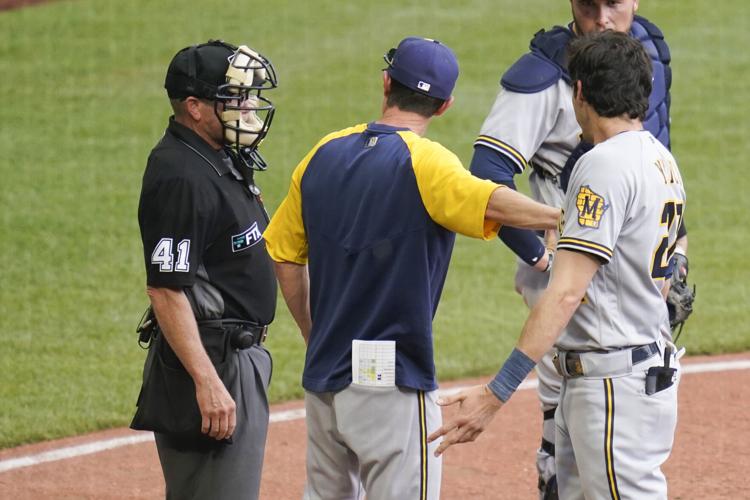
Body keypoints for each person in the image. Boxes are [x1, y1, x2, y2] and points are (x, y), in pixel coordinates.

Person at [263, 36, 560, 500]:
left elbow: (283, 254)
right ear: (444, 106)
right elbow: (493, 201)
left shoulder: (322, 152)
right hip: (391, 382)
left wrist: (314, 332)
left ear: (386, 83)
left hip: (325, 379)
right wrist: (560, 217)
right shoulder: (426, 161)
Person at [430, 30, 686, 500]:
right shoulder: (660, 159)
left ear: (581, 93)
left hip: (612, 385)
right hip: (621, 372)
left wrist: (496, 393)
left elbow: (566, 291)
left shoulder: (603, 164)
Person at [136, 40, 278, 499]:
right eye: (235, 98)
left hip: (235, 359)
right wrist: (208, 382)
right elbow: (166, 290)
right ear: (194, 107)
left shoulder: (217, 157)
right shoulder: (181, 175)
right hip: (215, 364)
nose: (250, 107)